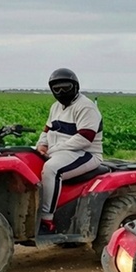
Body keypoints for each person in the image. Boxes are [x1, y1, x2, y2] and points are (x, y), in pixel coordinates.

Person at [36, 68, 104, 234]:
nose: (61, 92)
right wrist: (41, 145)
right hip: (60, 151)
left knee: (52, 170)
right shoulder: (56, 107)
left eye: (65, 87)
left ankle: (46, 219)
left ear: (75, 87)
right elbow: (47, 129)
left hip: (85, 153)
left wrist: (53, 150)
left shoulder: (85, 107)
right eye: (56, 88)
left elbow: (84, 139)